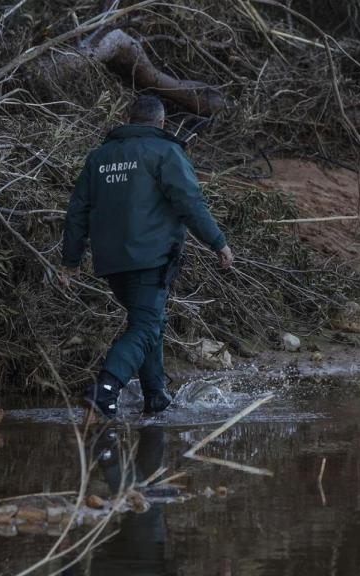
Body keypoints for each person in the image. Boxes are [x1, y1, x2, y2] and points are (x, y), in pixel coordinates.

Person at [58, 95, 233, 419]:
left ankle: (156, 396)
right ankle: (106, 388)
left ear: (128, 118)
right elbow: (190, 203)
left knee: (151, 322)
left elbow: (77, 212)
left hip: (111, 262)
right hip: (151, 259)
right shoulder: (165, 152)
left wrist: (71, 261)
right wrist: (218, 242)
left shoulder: (100, 157)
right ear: (162, 123)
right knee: (146, 325)